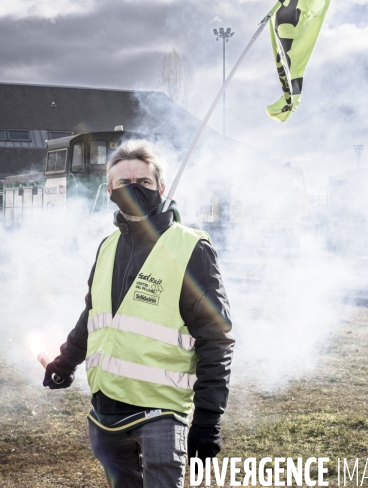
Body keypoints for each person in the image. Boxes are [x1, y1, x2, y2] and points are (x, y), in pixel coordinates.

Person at [43, 140, 234, 488]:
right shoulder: (107, 247)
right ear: (110, 190)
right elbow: (93, 316)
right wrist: (64, 364)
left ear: (161, 188)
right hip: (105, 414)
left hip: (161, 413)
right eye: (124, 183)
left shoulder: (191, 248)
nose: (134, 189)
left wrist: (208, 420)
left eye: (143, 183)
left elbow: (215, 339)